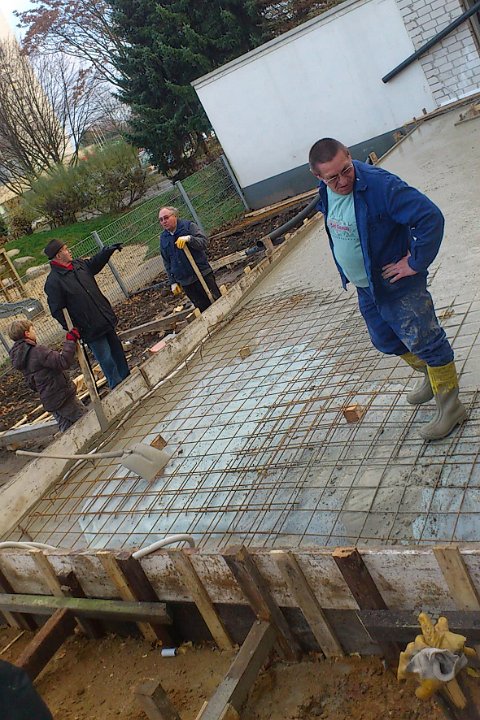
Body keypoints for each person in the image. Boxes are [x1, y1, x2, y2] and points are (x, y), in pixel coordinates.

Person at [308, 137, 466, 441]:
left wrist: (415, 262)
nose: (343, 181)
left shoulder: (381, 186)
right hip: (366, 286)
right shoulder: (325, 191)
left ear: (349, 156)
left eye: (346, 170)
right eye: (332, 177)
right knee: (386, 339)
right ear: (317, 176)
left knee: (427, 341)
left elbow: (430, 217)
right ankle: (430, 378)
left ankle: (451, 407)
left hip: (396, 284)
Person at [43, 239, 129, 389]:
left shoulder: (78, 265)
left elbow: (95, 263)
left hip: (103, 317)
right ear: (58, 255)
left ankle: (128, 379)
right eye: (66, 249)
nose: (69, 251)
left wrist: (107, 251)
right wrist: (73, 329)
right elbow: (57, 310)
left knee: (118, 352)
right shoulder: (54, 282)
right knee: (106, 359)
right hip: (89, 328)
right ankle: (118, 387)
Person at [8, 319, 86, 432]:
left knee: (68, 432)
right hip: (62, 396)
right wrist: (70, 341)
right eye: (32, 329)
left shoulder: (20, 358)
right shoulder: (37, 351)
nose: (34, 332)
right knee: (87, 420)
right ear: (27, 333)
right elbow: (63, 362)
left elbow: (31, 384)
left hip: (49, 401)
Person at [159, 206, 221, 312]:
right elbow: (167, 262)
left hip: (201, 274)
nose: (164, 221)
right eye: (161, 220)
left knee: (217, 301)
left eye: (166, 218)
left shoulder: (188, 227)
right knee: (202, 308)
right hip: (186, 281)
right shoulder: (164, 238)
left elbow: (204, 243)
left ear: (175, 216)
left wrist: (190, 239)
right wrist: (173, 282)